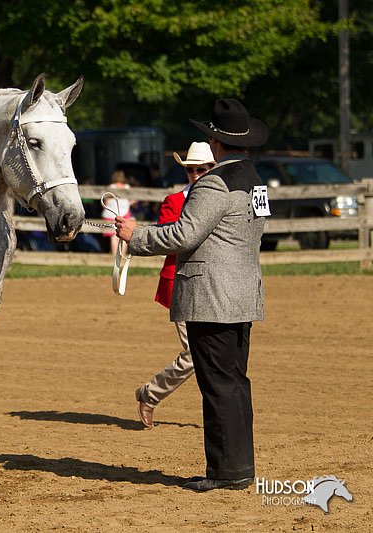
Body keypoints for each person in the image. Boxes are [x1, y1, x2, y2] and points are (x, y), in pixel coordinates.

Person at [115, 98, 269, 492]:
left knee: (217, 386)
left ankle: (224, 472)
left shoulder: (213, 183)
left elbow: (183, 235)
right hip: (242, 292)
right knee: (234, 382)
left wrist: (136, 237)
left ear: (216, 144)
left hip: (211, 296)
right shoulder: (255, 180)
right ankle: (239, 467)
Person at [135, 142, 216, 428]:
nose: (195, 174)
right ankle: (152, 394)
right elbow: (168, 238)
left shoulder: (220, 199)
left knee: (209, 353)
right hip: (180, 283)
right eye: (191, 169)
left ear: (211, 169)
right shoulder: (175, 201)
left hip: (212, 285)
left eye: (201, 169)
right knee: (194, 354)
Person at [102, 170, 133, 254]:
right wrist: (128, 204)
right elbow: (133, 199)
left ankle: (114, 255)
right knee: (124, 236)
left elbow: (106, 202)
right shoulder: (127, 187)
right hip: (124, 213)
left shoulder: (111, 187)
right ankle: (122, 254)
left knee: (113, 236)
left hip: (110, 214)